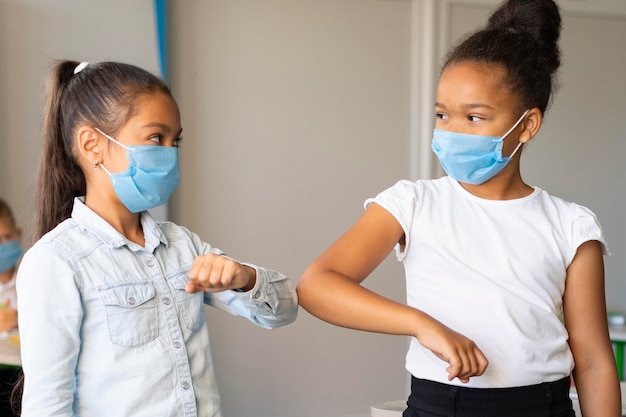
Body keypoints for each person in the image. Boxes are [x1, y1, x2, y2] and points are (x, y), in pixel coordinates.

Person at [296, 0, 621, 416]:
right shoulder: (411, 203)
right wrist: (423, 325)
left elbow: (593, 361)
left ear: (527, 125)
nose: (451, 131)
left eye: (474, 117)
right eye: (442, 114)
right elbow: (317, 285)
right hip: (438, 406)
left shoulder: (572, 226)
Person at [16, 60, 298, 417]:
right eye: (155, 138)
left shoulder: (182, 245)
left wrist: (245, 278)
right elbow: (47, 405)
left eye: (174, 141)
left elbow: (285, 310)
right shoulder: (56, 261)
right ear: (92, 144)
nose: (169, 153)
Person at [0, 198, 21, 417]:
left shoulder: (32, 277)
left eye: (5, 237)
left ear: (18, 234)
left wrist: (22, 319)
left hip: (24, 370)